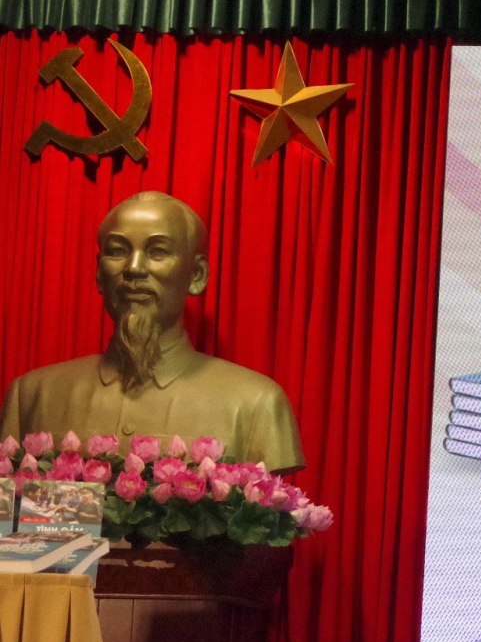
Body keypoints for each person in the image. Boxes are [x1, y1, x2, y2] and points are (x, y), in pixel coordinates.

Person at [1, 192, 304, 471]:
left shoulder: (256, 404)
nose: (134, 268)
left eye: (157, 252)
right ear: (98, 274)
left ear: (196, 275)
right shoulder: (31, 396)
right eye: (117, 251)